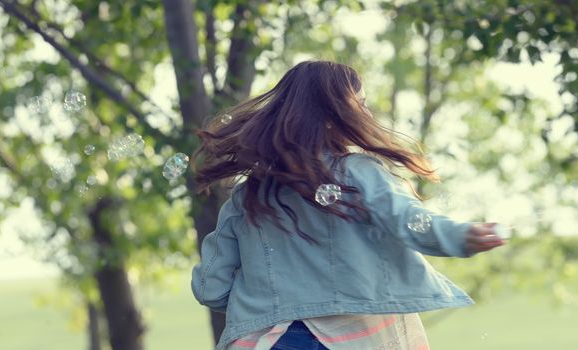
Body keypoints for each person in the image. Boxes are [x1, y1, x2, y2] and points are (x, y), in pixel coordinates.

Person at [190, 60, 506, 350]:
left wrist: (267, 299)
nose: (367, 114)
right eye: (362, 105)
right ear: (335, 116)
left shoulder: (249, 194)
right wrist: (462, 236)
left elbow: (210, 289)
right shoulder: (357, 172)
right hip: (351, 338)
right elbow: (410, 220)